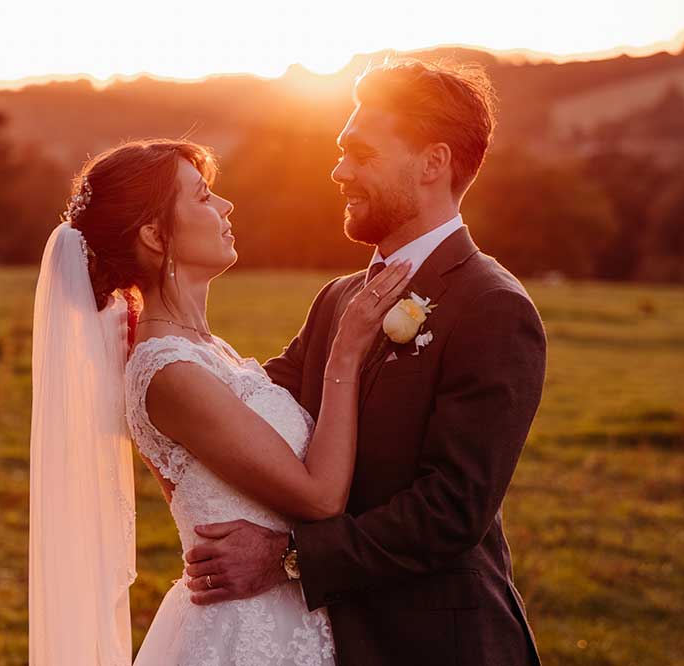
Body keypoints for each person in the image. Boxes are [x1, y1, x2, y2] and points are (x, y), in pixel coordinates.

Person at [183, 60, 547, 665]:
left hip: (438, 644)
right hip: (331, 640)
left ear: (433, 163)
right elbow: (263, 407)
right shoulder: (339, 297)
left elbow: (452, 510)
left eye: (361, 154)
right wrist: (157, 345)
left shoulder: (493, 306)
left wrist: (287, 556)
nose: (339, 170)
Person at [28, 137, 412, 665]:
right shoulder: (170, 372)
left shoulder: (210, 352)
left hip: (286, 623)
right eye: (204, 197)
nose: (226, 207)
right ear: (154, 234)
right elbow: (320, 498)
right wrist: (345, 354)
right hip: (243, 637)